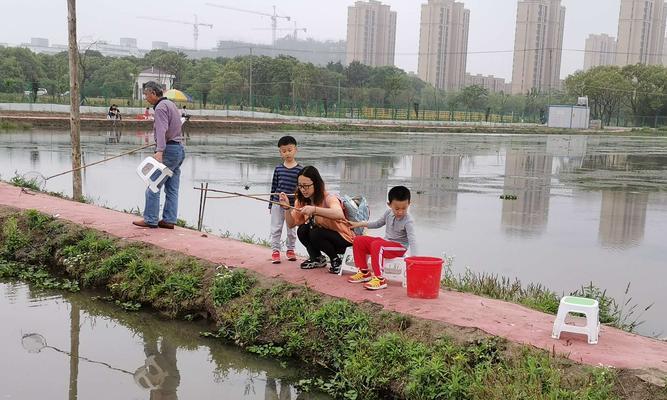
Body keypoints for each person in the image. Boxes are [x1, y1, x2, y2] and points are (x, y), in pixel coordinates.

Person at [279, 166, 354, 272]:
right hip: (323, 238)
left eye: (306, 186)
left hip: (344, 239)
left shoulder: (328, 198)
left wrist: (314, 209)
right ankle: (317, 258)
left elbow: (339, 213)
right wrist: (286, 208)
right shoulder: (301, 201)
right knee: (302, 230)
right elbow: (291, 224)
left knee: (316, 232)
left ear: (316, 184)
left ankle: (336, 260)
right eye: (300, 186)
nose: (303, 189)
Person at [133, 81, 186, 229]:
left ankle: (150, 219)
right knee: (172, 187)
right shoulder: (170, 104)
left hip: (168, 150)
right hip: (178, 150)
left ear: (153, 94)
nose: (145, 98)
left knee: (153, 184)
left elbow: (162, 130)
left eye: (146, 95)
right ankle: (169, 220)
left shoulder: (161, 107)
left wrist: (159, 151)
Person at [347, 186, 417, 290]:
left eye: (404, 208)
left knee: (377, 245)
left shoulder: (408, 221)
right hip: (386, 243)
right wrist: (358, 224)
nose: (400, 212)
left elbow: (412, 239)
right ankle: (364, 272)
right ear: (389, 205)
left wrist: (414, 258)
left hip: (399, 247)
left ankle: (379, 279)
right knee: (359, 240)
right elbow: (377, 223)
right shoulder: (388, 213)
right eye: (397, 208)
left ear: (409, 204)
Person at [269, 136, 303, 264]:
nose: (287, 153)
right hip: (277, 203)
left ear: (295, 150)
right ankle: (275, 251)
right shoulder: (278, 168)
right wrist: (270, 204)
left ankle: (290, 250)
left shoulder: (300, 170)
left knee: (291, 229)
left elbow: (301, 189)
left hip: (292, 205)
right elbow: (274, 186)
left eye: (289, 150)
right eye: (284, 151)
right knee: (276, 228)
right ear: (280, 152)